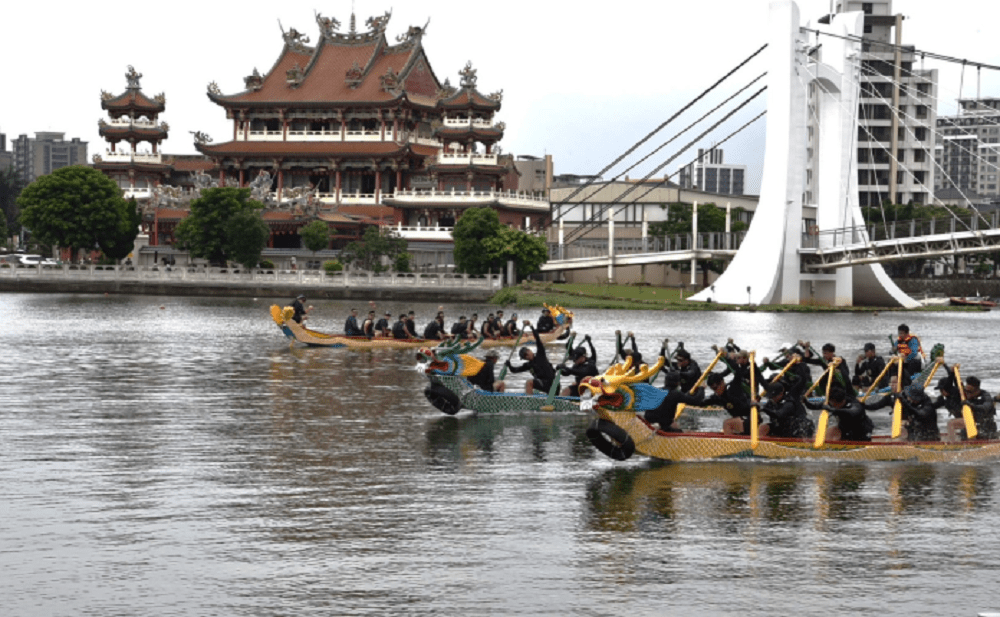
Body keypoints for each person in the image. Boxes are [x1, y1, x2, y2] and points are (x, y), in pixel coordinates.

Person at [865, 384, 940, 442]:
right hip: (914, 432)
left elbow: (920, 414)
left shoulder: (928, 405)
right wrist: (863, 405)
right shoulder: (899, 397)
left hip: (929, 435)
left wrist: (905, 403)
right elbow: (876, 406)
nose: (908, 398)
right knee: (905, 427)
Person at [505, 322, 557, 395]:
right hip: (544, 385)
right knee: (531, 383)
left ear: (530, 350)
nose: (526, 357)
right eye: (524, 357)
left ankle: (529, 400)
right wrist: (509, 365)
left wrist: (531, 326)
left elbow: (537, 338)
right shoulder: (528, 365)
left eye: (526, 354)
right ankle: (531, 397)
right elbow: (515, 370)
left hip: (553, 384)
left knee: (529, 382)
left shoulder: (540, 354)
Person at [805, 386, 873, 442]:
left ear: (841, 402)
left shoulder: (854, 404)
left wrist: (835, 410)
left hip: (862, 431)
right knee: (830, 431)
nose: (831, 405)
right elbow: (815, 406)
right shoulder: (832, 402)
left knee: (838, 431)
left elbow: (853, 412)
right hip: (845, 428)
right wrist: (805, 401)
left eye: (833, 404)